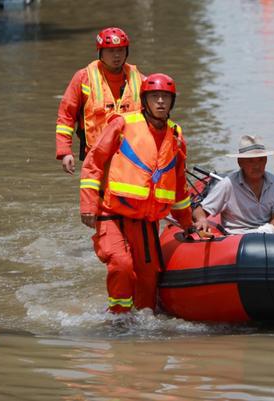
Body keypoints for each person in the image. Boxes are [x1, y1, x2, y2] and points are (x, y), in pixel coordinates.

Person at [79, 73, 192, 313]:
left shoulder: (176, 135)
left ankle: (144, 324)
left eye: (165, 97)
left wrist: (188, 224)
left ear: (172, 102)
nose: (160, 102)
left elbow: (179, 185)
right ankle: (118, 320)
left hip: (145, 220)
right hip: (111, 213)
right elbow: (94, 161)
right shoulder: (123, 124)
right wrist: (88, 206)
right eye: (155, 97)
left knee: (148, 277)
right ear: (145, 100)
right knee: (121, 265)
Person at [56, 27, 144, 175]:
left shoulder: (139, 80)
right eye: (110, 51)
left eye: (121, 50)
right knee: (93, 197)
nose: (116, 55)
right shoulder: (83, 78)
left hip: (132, 157)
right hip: (95, 156)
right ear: (100, 53)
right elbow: (66, 116)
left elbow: (156, 116)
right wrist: (65, 152)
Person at [193, 135, 274, 234]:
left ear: (266, 160)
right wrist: (202, 220)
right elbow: (200, 210)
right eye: (250, 161)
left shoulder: (272, 181)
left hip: (267, 236)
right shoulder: (228, 184)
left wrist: (267, 230)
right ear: (240, 162)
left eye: (261, 159)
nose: (257, 166)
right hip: (237, 239)